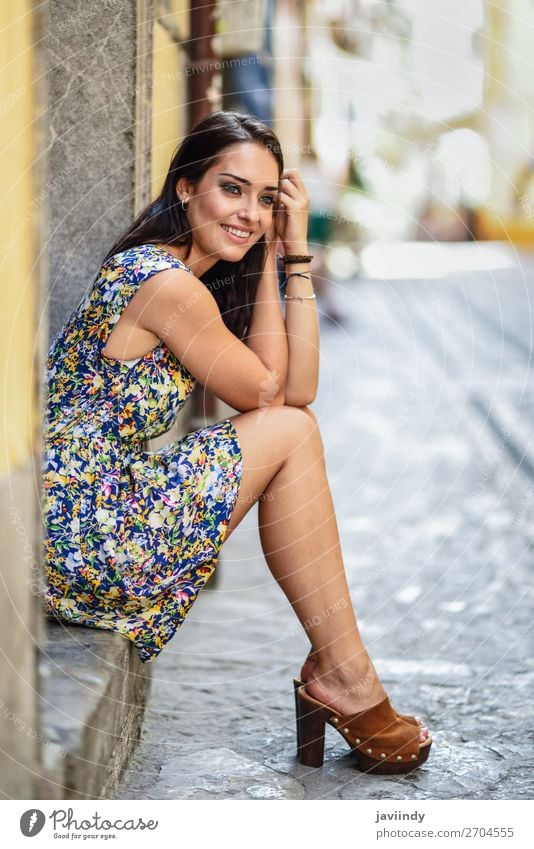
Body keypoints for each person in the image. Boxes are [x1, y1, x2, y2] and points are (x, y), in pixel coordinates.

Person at [42, 110, 432, 774]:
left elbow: (293, 388)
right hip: (84, 531)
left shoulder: (188, 276)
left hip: (81, 517)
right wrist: (290, 250)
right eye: (233, 189)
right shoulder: (164, 283)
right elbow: (273, 396)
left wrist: (285, 252)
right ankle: (344, 673)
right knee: (290, 430)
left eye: (267, 198)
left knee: (294, 425)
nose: (251, 212)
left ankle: (344, 670)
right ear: (187, 187)